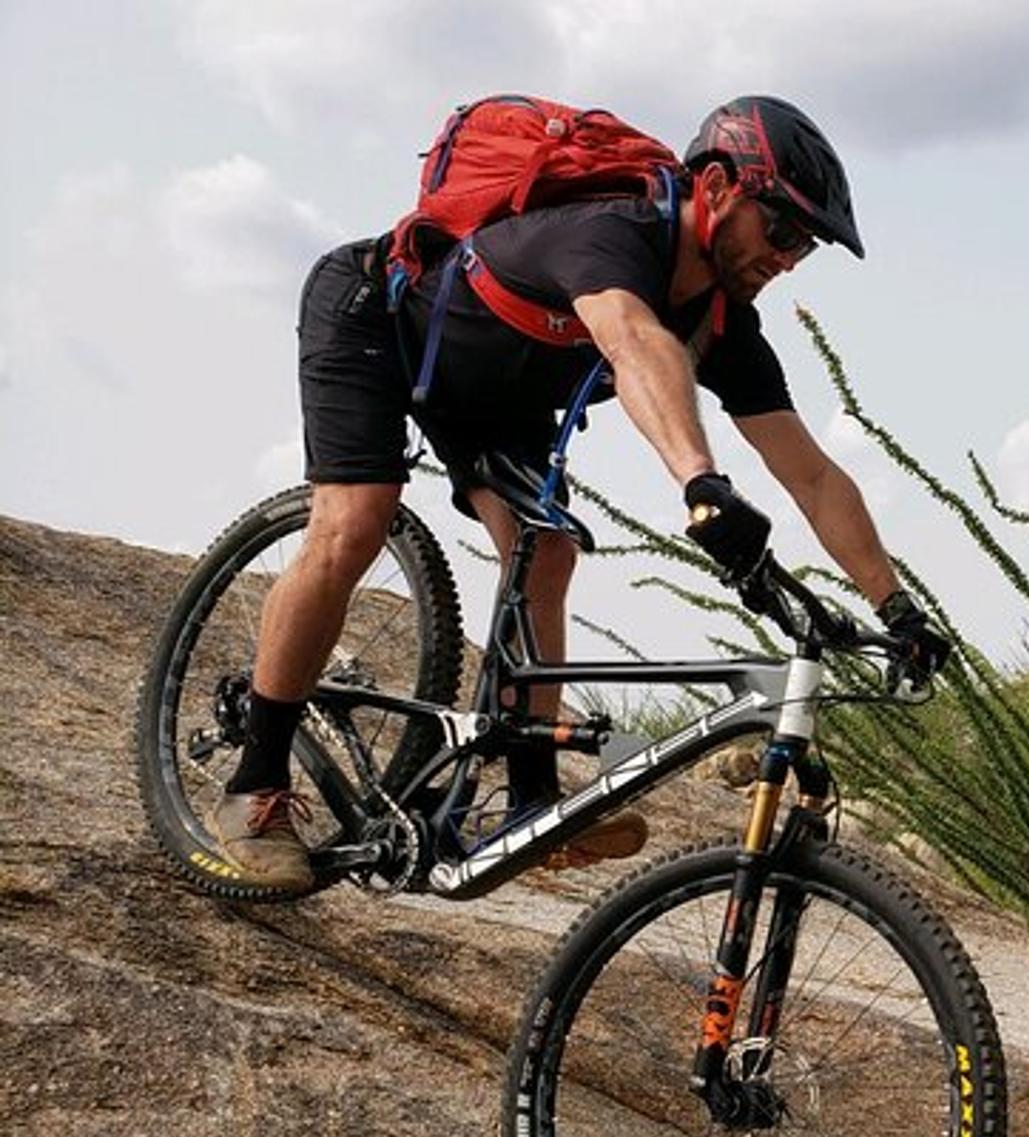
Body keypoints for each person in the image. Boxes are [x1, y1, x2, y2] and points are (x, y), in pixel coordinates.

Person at [214, 94, 950, 892]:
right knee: (355, 522)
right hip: (377, 321)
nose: (790, 257)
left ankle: (529, 798)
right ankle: (254, 784)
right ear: (717, 187)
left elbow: (811, 473)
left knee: (548, 554)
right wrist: (701, 485)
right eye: (782, 231)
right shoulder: (613, 231)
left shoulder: (723, 318)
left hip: (493, 397)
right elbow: (633, 341)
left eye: (806, 245)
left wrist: (895, 608)